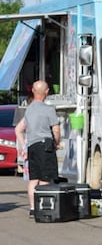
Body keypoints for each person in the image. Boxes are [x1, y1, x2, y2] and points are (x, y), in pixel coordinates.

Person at [17, 80, 61, 215]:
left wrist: (23, 146)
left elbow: (18, 129)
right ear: (46, 92)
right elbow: (56, 129)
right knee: (44, 178)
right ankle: (43, 206)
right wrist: (57, 143)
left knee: (33, 178)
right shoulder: (49, 109)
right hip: (45, 145)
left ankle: (32, 208)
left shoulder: (28, 110)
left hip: (32, 146)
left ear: (33, 92)